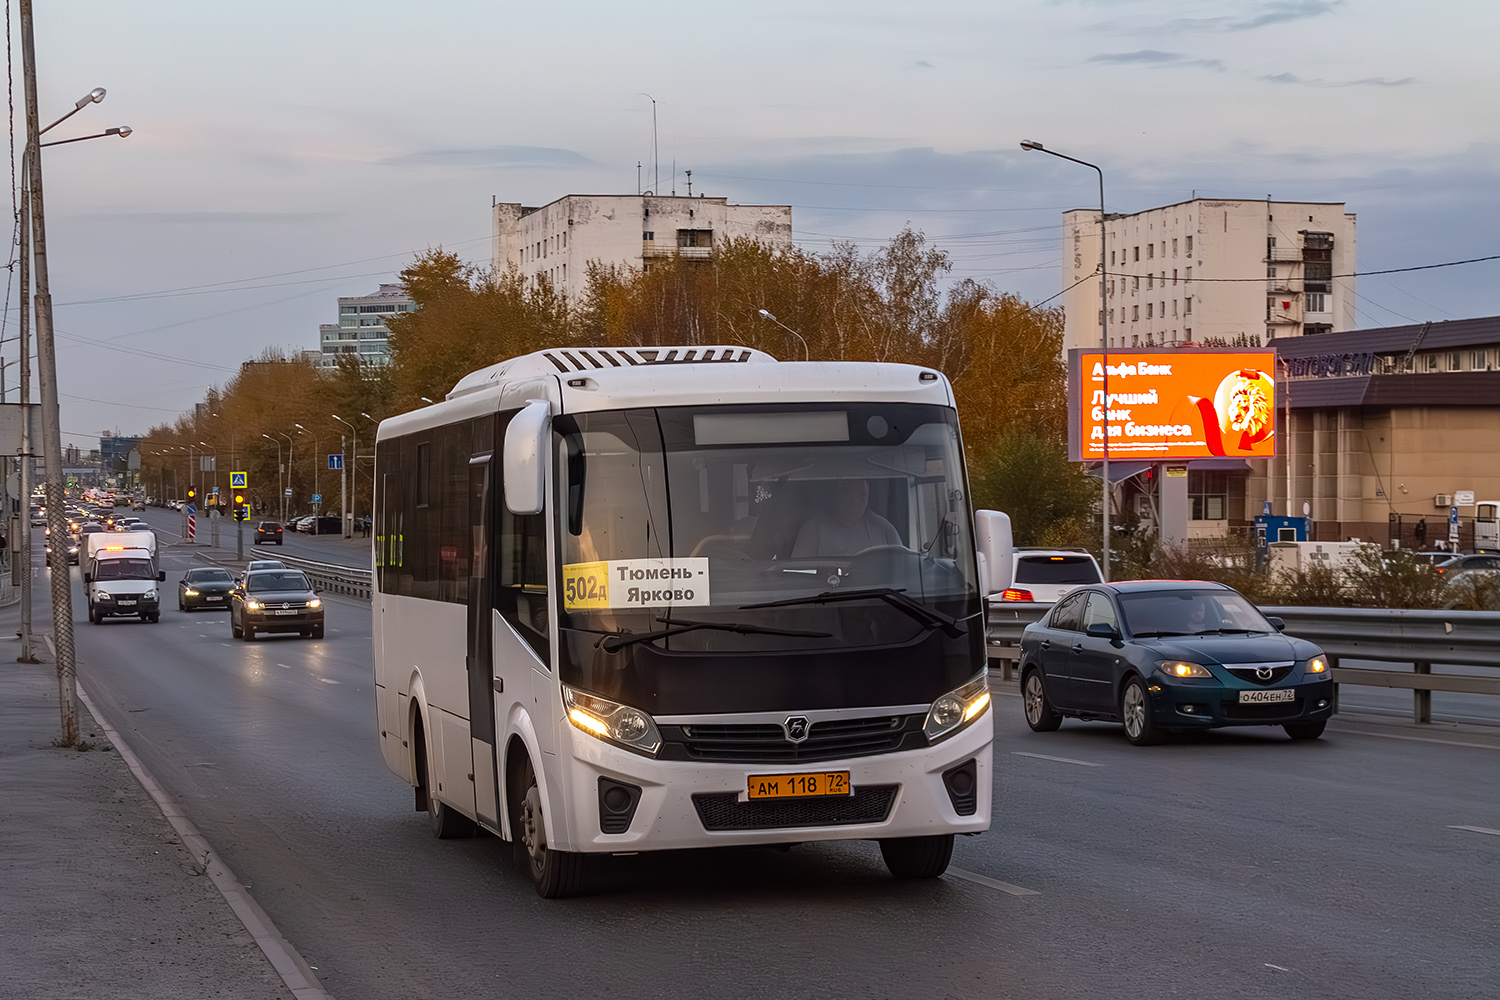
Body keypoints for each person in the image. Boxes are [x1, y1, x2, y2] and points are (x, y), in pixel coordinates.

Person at [791, 478, 902, 557]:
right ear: (837, 493)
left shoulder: (885, 531)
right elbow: (797, 576)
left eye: (862, 494)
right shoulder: (814, 529)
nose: (855, 501)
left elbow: (902, 571)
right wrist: (820, 573)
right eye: (849, 494)